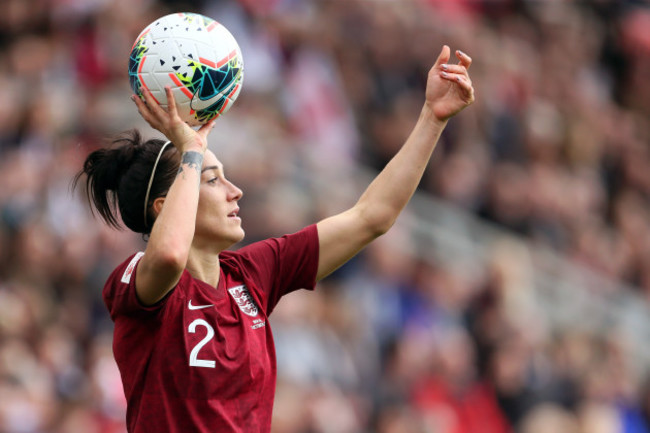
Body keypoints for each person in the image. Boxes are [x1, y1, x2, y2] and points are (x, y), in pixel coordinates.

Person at [74, 45, 474, 433]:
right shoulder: (137, 281)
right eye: (212, 180)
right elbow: (169, 256)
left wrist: (432, 118)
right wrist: (191, 152)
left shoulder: (252, 275)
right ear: (165, 206)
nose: (235, 190)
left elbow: (371, 217)